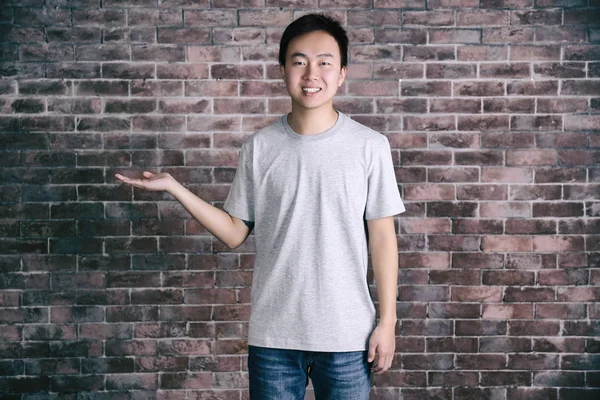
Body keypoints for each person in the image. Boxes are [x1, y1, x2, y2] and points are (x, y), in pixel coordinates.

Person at [116, 13, 405, 400]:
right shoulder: (259, 148)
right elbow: (235, 232)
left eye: (324, 63)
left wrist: (387, 323)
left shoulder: (370, 146)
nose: (311, 74)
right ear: (283, 70)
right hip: (274, 340)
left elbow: (383, 238)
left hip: (348, 338)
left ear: (341, 74)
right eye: (299, 61)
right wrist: (175, 189)